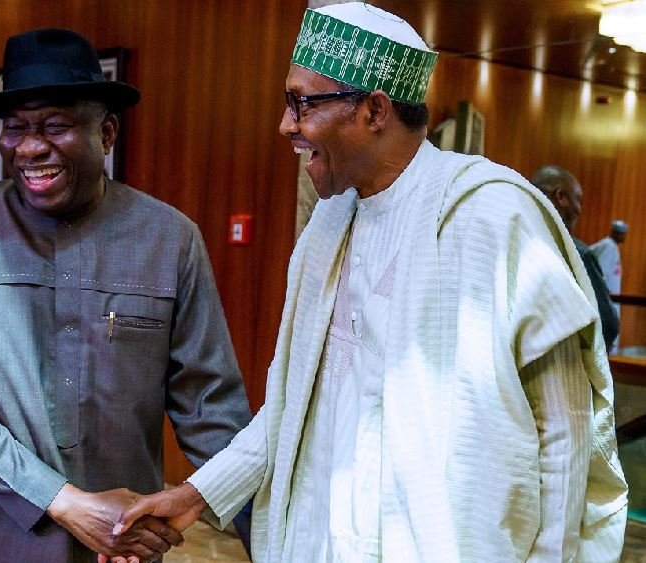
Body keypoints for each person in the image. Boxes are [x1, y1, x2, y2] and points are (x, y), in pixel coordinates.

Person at [111, 4, 629, 562]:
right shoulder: (328, 226)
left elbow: (566, 431)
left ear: (375, 110)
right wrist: (195, 495)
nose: (286, 125)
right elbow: (292, 407)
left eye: (302, 103)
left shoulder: (492, 216)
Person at [0, 28, 252, 563]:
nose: (29, 146)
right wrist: (64, 503)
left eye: (55, 125)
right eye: (14, 127)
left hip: (119, 551)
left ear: (107, 132)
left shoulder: (170, 240)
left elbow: (211, 410)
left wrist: (266, 534)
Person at [532, 165, 619, 351]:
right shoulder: (576, 253)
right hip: (565, 367)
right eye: (577, 199)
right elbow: (607, 326)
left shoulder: (513, 243)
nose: (579, 210)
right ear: (561, 197)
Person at [592, 219, 628, 297]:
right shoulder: (609, 246)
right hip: (606, 296)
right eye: (622, 234)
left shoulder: (611, 246)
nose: (624, 237)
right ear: (615, 233)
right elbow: (601, 272)